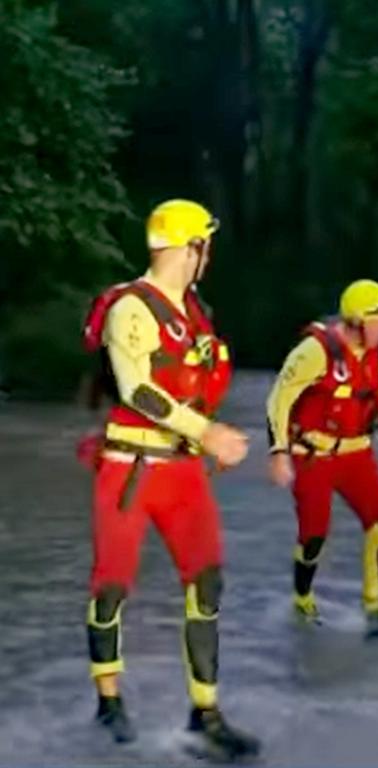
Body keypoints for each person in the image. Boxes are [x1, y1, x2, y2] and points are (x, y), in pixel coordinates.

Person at [79, 199, 260, 758]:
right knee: (111, 586)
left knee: (207, 583)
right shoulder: (131, 309)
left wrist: (210, 439)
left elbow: (195, 387)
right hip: (131, 469)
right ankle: (109, 699)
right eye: (207, 243)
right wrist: (209, 433)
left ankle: (205, 712)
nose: (211, 254)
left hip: (182, 471)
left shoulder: (197, 313)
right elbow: (138, 390)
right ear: (190, 247)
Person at [265, 279, 378, 635]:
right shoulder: (314, 352)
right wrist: (279, 453)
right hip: (312, 454)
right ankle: (302, 596)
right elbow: (278, 401)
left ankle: (374, 600)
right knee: (314, 533)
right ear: (357, 321)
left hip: (356, 454)